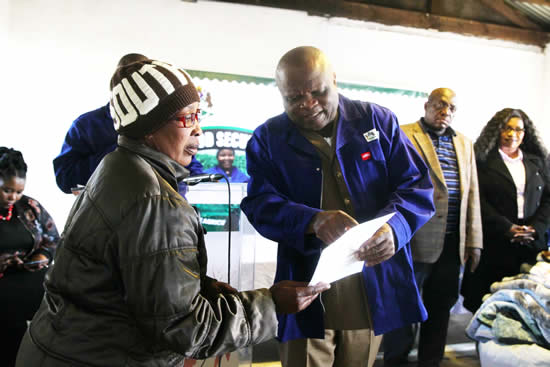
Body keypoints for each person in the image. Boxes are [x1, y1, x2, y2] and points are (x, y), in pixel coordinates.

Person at [16, 58, 329, 366]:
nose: (198, 130)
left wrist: (197, 284)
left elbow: (123, 276)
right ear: (150, 128)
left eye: (199, 115)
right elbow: (187, 328)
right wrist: (272, 304)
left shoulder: (115, 167)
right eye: (187, 118)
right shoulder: (155, 201)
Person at [240, 46, 435, 367]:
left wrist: (395, 229)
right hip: (306, 292)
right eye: (294, 98)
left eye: (318, 92)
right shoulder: (268, 139)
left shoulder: (377, 121)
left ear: (334, 80)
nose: (308, 105)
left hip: (370, 291)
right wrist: (311, 221)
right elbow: (259, 203)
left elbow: (417, 185)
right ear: (280, 94)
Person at [382, 88, 483, 367]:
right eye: (440, 105)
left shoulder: (464, 143)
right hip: (410, 241)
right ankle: (396, 361)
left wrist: (474, 242)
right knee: (403, 309)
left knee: (441, 309)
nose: (445, 111)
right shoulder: (403, 134)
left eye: (451, 107)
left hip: (452, 244)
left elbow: (471, 195)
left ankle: (431, 361)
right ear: (427, 105)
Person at [52, 53, 204, 196]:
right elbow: (65, 178)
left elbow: (189, 165)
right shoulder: (86, 124)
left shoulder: (165, 125)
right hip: (110, 208)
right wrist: (124, 151)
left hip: (168, 204)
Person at [461, 108, 550, 312]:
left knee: (525, 307)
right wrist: (507, 227)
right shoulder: (482, 161)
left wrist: (535, 228)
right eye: (507, 128)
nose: (512, 134)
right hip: (495, 243)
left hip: (530, 245)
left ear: (525, 133)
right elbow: (477, 201)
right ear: (497, 131)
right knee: (486, 304)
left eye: (518, 130)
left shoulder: (536, 162)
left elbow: (548, 199)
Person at [0, 147, 59, 367]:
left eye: (18, 191)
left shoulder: (29, 207)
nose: (13, 197)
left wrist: (41, 256)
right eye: (7, 190)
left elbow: (53, 239)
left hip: (28, 279)